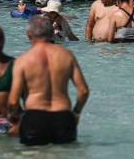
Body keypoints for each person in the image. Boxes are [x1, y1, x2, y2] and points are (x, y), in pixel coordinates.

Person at [8, 17, 89, 146]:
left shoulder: (22, 60)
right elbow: (83, 91)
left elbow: (13, 100)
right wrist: (76, 113)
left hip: (34, 118)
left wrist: (19, 116)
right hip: (63, 116)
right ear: (52, 33)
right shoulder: (67, 55)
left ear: (29, 34)